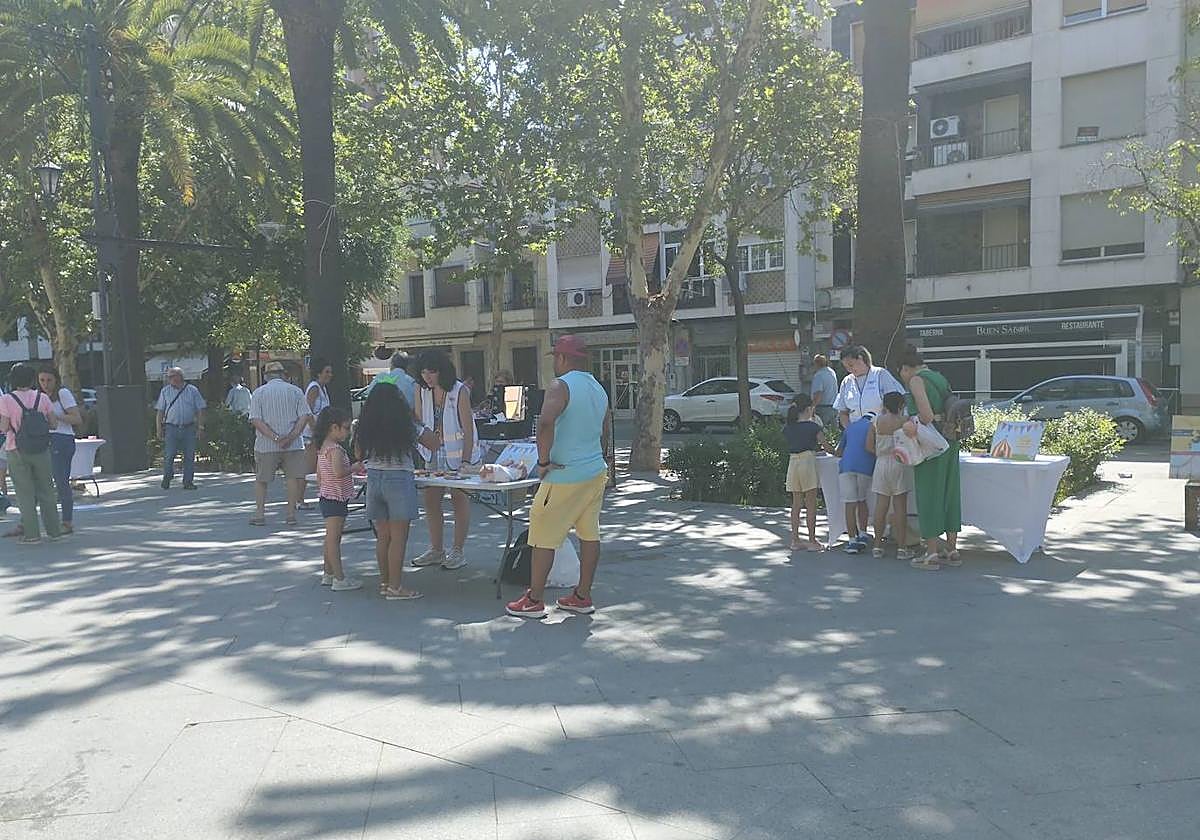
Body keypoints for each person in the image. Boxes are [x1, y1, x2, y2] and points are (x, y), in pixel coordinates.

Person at [507, 335, 610, 619]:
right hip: (594, 471)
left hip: (565, 474)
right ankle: (582, 595)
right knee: (590, 533)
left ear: (563, 358)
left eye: (555, 357)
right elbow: (604, 430)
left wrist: (542, 462)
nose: (554, 362)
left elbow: (545, 421)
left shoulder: (560, 385)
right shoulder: (598, 388)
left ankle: (534, 599)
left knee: (541, 534)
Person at [355, 381, 440, 600]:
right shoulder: (406, 424)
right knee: (399, 537)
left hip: (373, 479)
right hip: (399, 478)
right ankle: (396, 587)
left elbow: (358, 453)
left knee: (382, 536)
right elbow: (433, 443)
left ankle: (385, 583)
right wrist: (418, 420)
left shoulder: (365, 425)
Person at [412, 350, 479, 571]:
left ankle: (458, 550)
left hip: (458, 454)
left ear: (441, 370)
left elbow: (468, 429)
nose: (427, 377)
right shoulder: (421, 390)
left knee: (459, 499)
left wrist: (466, 460)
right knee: (431, 500)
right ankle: (436, 549)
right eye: (423, 372)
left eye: (431, 371)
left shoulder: (459, 391)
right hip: (431, 454)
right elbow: (420, 423)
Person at [899, 350, 962, 571]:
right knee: (950, 493)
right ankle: (952, 549)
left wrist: (910, 423)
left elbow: (925, 416)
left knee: (929, 494)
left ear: (907, 368)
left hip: (931, 443)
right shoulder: (939, 377)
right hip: (951, 439)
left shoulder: (917, 380)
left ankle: (932, 552)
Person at [833, 346, 903, 538]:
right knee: (858, 492)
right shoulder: (847, 382)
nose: (850, 369)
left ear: (863, 358)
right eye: (846, 366)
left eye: (852, 364)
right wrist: (851, 432)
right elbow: (842, 412)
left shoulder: (881, 375)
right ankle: (858, 532)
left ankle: (887, 529)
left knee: (884, 485)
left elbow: (897, 402)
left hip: (880, 435)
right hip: (856, 437)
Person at [0, 363, 63, 543]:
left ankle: (32, 534)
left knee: (24, 493)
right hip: (42, 449)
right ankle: (54, 531)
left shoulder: (6, 400)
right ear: (32, 379)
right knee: (47, 490)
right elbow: (53, 424)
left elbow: (4, 427)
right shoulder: (42, 398)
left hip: (16, 449)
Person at [248, 361, 311, 526]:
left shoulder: (259, 393)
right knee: (292, 478)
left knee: (262, 480)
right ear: (284, 374)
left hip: (266, 445)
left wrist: (275, 437)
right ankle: (290, 514)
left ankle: (260, 514)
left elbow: (256, 419)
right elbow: (304, 416)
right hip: (294, 444)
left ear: (266, 376)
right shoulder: (296, 391)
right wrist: (291, 436)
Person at [313, 406, 363, 592]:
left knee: (330, 537)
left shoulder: (323, 448)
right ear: (334, 428)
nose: (348, 432)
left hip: (327, 496)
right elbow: (339, 472)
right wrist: (354, 468)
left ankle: (328, 573)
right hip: (335, 498)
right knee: (334, 539)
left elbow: (319, 475)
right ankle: (339, 578)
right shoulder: (335, 449)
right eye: (346, 427)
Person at [865, 392, 915, 561]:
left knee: (881, 506)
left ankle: (877, 546)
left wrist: (881, 452)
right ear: (901, 406)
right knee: (900, 507)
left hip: (881, 463)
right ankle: (902, 547)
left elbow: (868, 446)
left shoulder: (876, 421)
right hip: (900, 462)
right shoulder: (906, 421)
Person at [783, 394, 830, 552]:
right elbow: (825, 445)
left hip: (793, 462)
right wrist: (838, 452)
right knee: (811, 503)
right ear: (809, 408)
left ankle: (795, 540)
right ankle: (812, 540)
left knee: (796, 504)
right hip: (808, 461)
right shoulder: (813, 427)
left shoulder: (789, 427)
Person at [39, 368, 83, 533]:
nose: (45, 384)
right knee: (45, 481)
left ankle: (67, 521)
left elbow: (76, 418)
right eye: (42, 380)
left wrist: (54, 416)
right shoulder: (40, 396)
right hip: (46, 440)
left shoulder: (63, 394)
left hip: (62, 438)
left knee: (61, 480)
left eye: (49, 380)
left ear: (56, 380)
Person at [155, 367, 206, 490]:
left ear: (180, 377)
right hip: (171, 427)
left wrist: (200, 427)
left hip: (189, 427)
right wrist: (158, 429)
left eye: (172, 376)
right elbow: (160, 411)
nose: (170, 379)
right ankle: (167, 476)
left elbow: (200, 409)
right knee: (169, 455)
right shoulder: (165, 391)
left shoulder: (192, 390)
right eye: (169, 377)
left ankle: (188, 482)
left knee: (189, 455)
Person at [837, 412, 876, 554]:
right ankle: (863, 534)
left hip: (846, 467)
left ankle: (852, 540)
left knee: (850, 503)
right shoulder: (873, 426)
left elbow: (839, 451)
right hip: (865, 467)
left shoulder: (850, 427)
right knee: (862, 500)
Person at [299, 358, 334, 511]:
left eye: (330, 372)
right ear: (318, 373)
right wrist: (316, 433)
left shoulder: (323, 388)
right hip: (311, 436)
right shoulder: (314, 388)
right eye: (327, 372)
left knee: (320, 467)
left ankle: (325, 495)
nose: (329, 375)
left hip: (321, 434)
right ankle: (299, 500)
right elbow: (307, 412)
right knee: (309, 467)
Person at [810, 355, 839, 428]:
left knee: (821, 432)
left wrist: (812, 407)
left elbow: (818, 394)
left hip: (823, 409)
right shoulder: (832, 372)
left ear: (817, 364)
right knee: (834, 433)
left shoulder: (819, 375)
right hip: (834, 407)